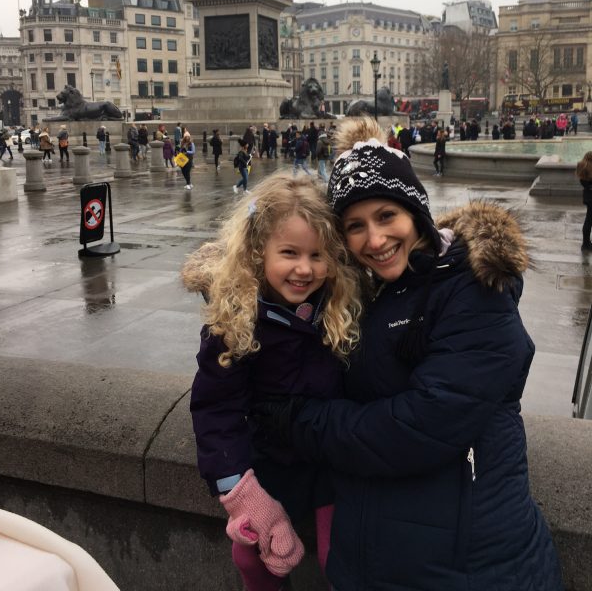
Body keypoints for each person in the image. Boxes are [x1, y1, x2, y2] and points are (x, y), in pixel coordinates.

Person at [254, 117, 563, 591]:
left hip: (473, 568)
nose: (374, 240)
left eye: (386, 217)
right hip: (381, 559)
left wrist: (301, 422)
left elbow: (420, 426)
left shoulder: (474, 289)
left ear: (416, 211)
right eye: (355, 226)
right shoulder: (370, 290)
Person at [183, 173, 363, 591]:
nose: (305, 269)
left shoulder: (341, 302)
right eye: (289, 253)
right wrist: (240, 492)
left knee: (343, 557)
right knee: (252, 554)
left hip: (333, 461)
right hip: (270, 460)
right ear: (257, 251)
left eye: (318, 255)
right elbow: (215, 408)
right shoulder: (235, 319)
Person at [576, 151, 592, 251]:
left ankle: (586, 243)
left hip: (587, 196)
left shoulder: (581, 166)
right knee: (589, 220)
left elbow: (582, 182)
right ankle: (586, 244)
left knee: (588, 220)